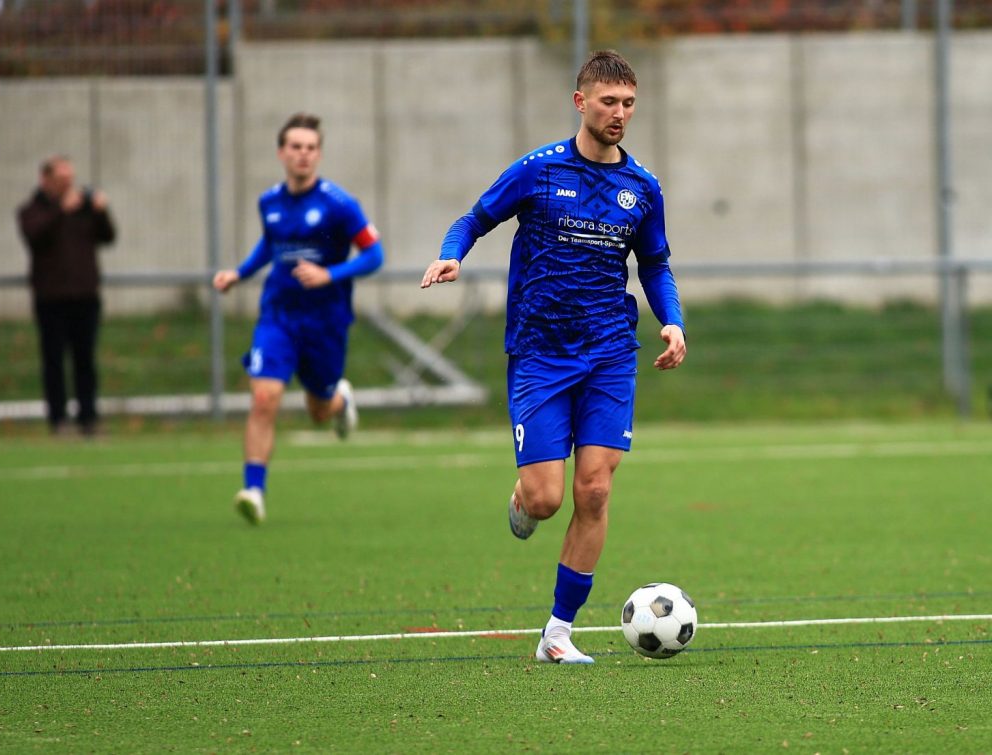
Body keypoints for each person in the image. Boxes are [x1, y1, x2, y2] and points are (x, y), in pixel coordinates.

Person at [421, 50, 687, 664]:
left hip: (610, 352)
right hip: (540, 352)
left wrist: (672, 321)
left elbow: (654, 264)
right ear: (580, 102)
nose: (619, 113)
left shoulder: (642, 188)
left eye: (628, 104)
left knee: (593, 490)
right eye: (609, 102)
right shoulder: (539, 170)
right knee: (546, 499)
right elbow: (474, 218)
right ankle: (523, 498)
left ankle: (557, 635)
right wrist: (452, 253)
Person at [214, 112, 384, 525]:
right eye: (295, 147)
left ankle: (339, 402)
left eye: (310, 148)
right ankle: (253, 491)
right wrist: (240, 273)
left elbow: (374, 255)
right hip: (278, 317)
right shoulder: (269, 202)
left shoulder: (340, 205)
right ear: (281, 153)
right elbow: (270, 245)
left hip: (325, 323)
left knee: (318, 410)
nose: (303, 154)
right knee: (264, 397)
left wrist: (330, 274)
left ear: (319, 154)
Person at [17, 155, 116, 436]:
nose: (68, 185)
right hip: (51, 298)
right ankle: (58, 419)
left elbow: (108, 237)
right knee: (54, 361)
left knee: (85, 360)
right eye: (61, 179)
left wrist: (101, 211)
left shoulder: (84, 208)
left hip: (85, 295)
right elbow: (34, 236)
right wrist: (61, 210)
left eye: (70, 179)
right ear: (45, 179)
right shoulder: (32, 210)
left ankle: (88, 418)